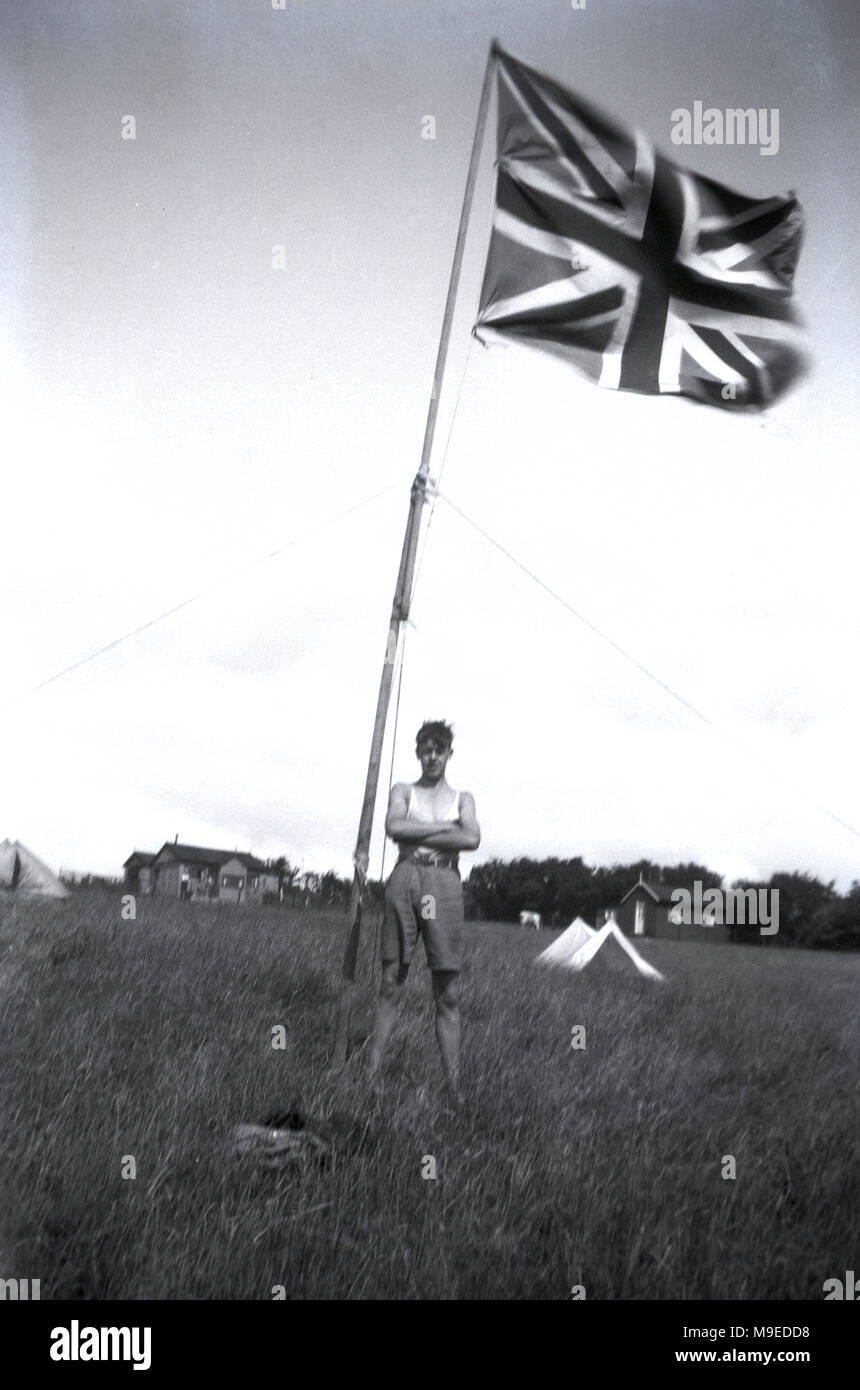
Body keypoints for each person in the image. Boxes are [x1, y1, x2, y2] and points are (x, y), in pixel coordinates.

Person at [367, 720, 480, 1106]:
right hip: (405, 879)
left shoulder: (463, 799)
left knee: (447, 994)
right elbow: (392, 825)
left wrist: (414, 832)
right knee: (389, 982)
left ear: (450, 753)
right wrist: (442, 832)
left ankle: (453, 1089)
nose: (432, 756)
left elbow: (471, 838)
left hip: (445, 885)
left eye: (439, 748)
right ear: (418, 753)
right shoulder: (404, 791)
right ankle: (371, 1076)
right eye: (425, 749)